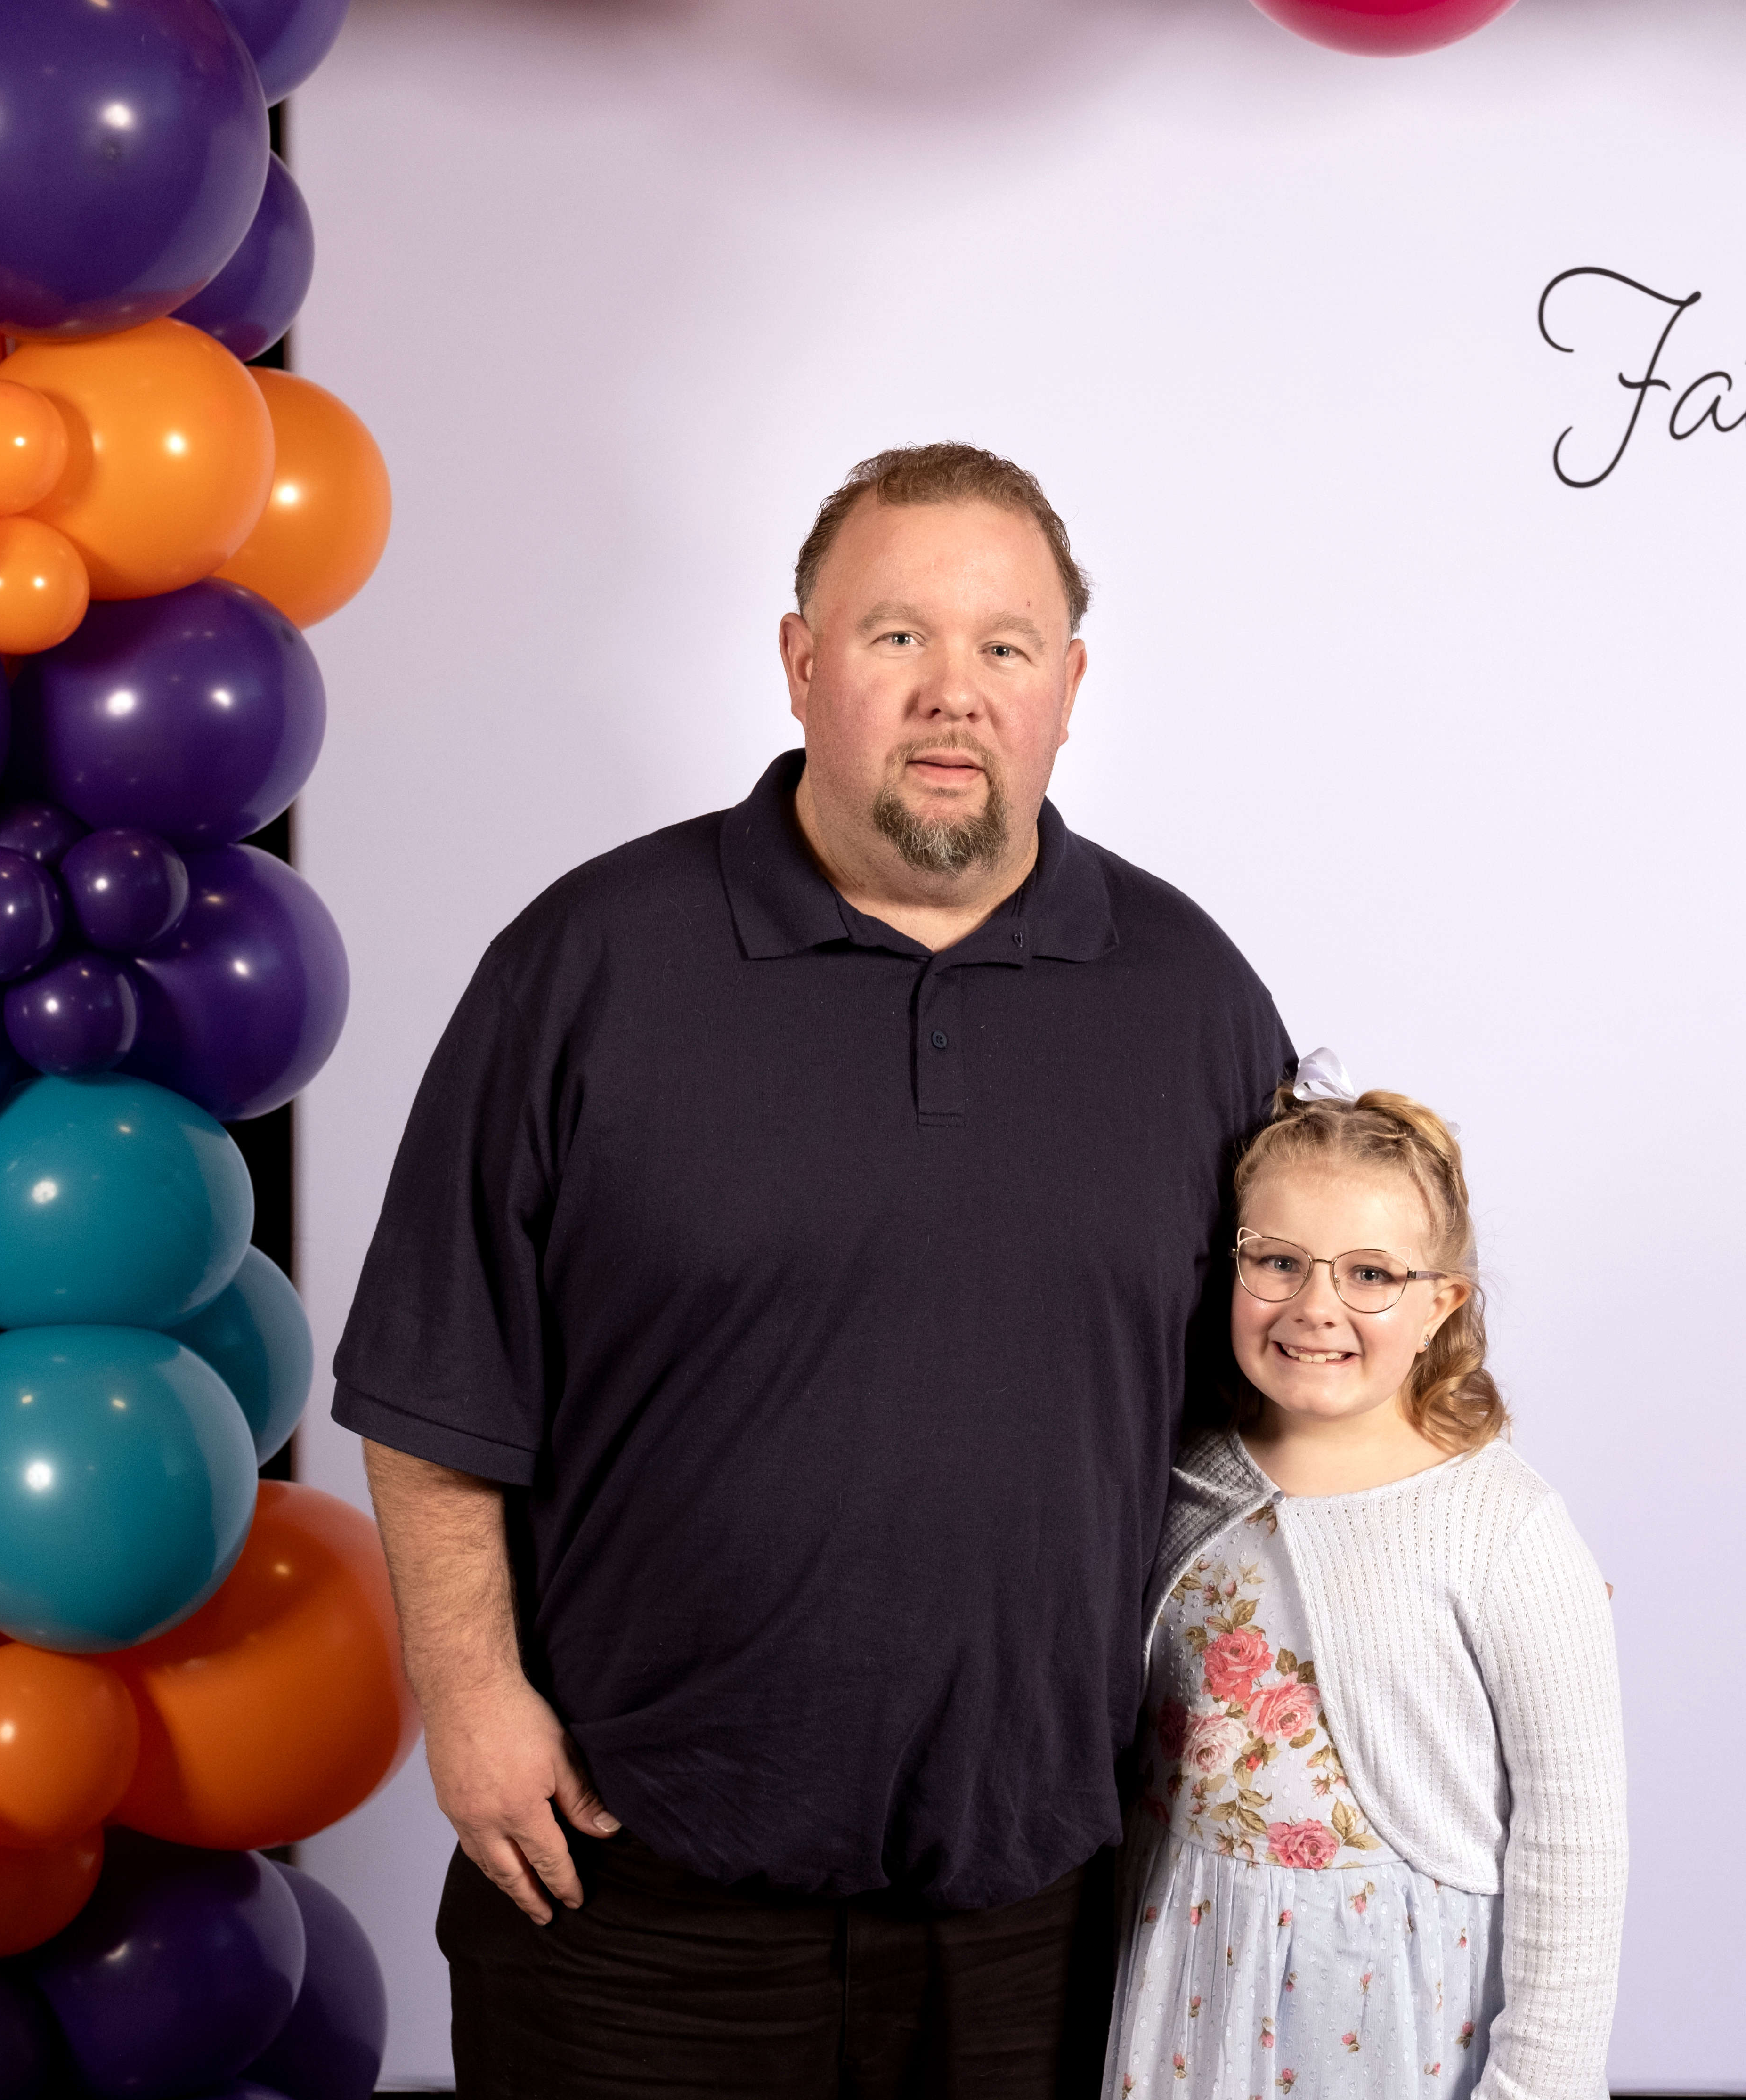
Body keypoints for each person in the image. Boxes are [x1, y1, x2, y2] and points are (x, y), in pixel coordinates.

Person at [328, 443, 1291, 2099]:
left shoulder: (1192, 997)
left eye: (1003, 646)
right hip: (630, 1897)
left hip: (1038, 1915)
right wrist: (472, 1700)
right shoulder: (588, 963)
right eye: (894, 636)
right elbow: (435, 1377)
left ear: (1068, 689)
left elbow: (1280, 1403)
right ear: (798, 662)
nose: (951, 692)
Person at [1111, 1063, 1627, 2100]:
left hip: (1389, 2003)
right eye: (1278, 1261)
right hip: (1186, 1974)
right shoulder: (1185, 1479)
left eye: (1370, 1275)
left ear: (1441, 1302)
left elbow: (1575, 1838)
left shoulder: (1501, 1527)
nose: (1317, 1307)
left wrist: (1540, 2087)